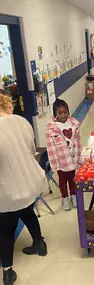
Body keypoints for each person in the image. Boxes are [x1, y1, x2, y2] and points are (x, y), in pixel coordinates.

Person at [0, 104, 48, 285]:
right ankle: (40, 244)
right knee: (27, 211)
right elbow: (31, 149)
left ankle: (7, 272)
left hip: (6, 190)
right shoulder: (22, 122)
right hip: (28, 181)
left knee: (5, 230)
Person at [46, 99, 82, 211]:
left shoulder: (74, 124)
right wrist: (55, 165)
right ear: (55, 114)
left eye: (65, 112)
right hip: (61, 161)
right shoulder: (51, 131)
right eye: (60, 113)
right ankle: (65, 198)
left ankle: (73, 196)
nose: (63, 115)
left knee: (73, 179)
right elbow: (51, 149)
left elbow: (78, 141)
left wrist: (80, 157)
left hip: (73, 159)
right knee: (62, 181)